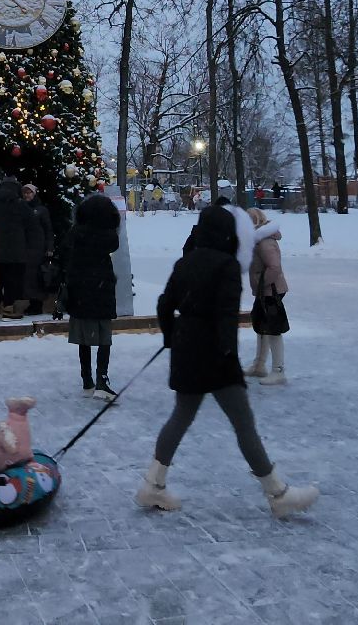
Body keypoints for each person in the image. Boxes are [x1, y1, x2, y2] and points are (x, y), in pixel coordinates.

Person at [136, 204, 318, 519]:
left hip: (187, 350)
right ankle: (278, 493)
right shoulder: (227, 266)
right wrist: (229, 360)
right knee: (243, 423)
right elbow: (225, 318)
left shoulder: (186, 262)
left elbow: (165, 304)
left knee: (180, 417)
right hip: (216, 357)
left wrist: (170, 337)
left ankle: (153, 483)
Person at [64, 193, 120, 400]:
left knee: (82, 337)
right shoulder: (108, 236)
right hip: (102, 288)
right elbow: (114, 244)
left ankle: (87, 380)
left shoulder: (76, 233)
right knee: (104, 336)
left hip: (80, 288)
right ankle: (102, 380)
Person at [244, 207, 290, 386]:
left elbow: (274, 267)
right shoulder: (257, 240)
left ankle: (278, 370)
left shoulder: (264, 242)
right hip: (265, 291)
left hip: (272, 291)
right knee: (261, 325)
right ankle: (259, 365)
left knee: (273, 328)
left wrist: (262, 283)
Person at [0, 176, 28, 318]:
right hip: (16, 247)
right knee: (11, 278)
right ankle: (8, 307)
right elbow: (30, 223)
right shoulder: (20, 204)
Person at [19, 183, 55, 316]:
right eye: (25, 193)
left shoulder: (41, 210)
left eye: (29, 193)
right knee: (28, 278)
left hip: (38, 249)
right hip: (25, 249)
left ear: (34, 194)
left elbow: (48, 229)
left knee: (37, 278)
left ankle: (37, 304)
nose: (27, 195)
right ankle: (32, 303)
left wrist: (49, 247)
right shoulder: (21, 209)